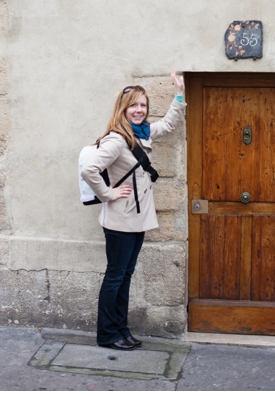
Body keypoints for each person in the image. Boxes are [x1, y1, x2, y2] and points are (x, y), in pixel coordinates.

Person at [81, 71, 186, 351]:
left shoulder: (141, 133)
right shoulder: (117, 140)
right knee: (115, 275)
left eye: (143, 105)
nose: (140, 110)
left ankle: (121, 329)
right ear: (123, 109)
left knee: (125, 276)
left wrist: (179, 95)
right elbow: (89, 169)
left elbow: (169, 124)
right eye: (134, 105)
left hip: (136, 218)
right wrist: (108, 194)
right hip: (119, 218)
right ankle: (107, 334)